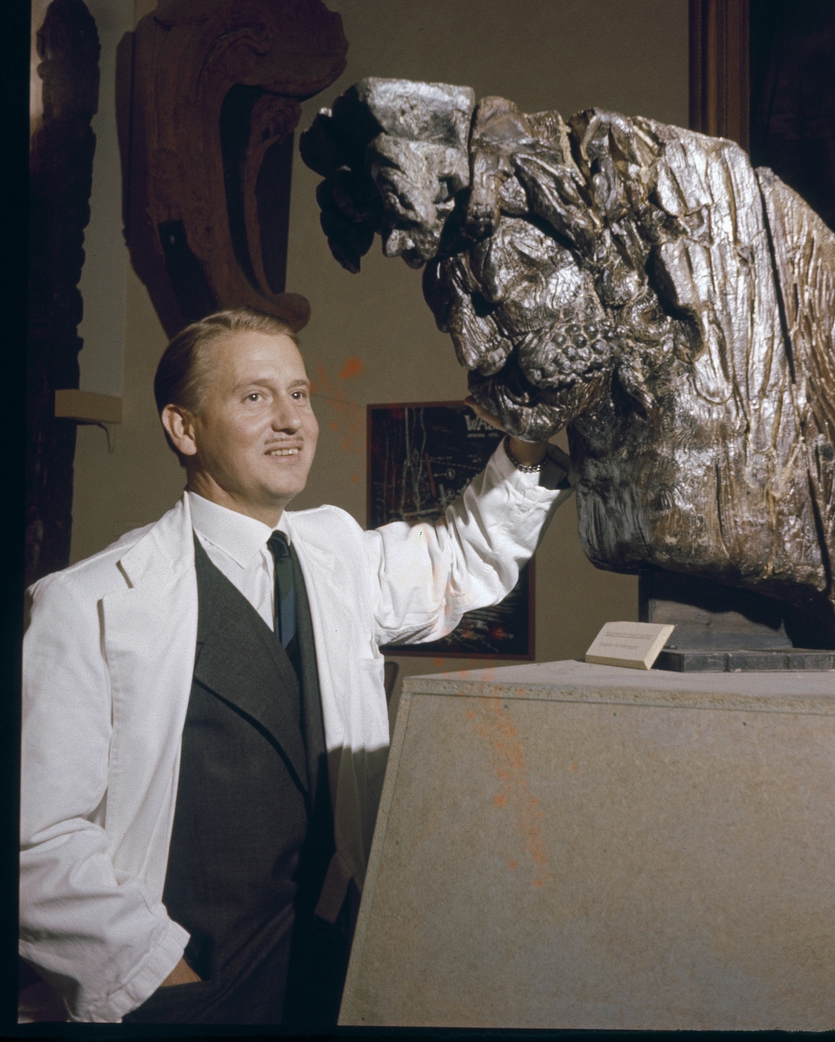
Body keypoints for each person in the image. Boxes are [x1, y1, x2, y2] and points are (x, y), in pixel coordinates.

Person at [19, 307, 572, 1025]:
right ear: (184, 428)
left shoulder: (334, 548)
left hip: (327, 967)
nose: (290, 420)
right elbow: (38, 835)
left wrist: (527, 436)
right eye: (255, 396)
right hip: (185, 988)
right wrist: (157, 975)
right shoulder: (86, 601)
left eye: (299, 394)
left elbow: (461, 557)